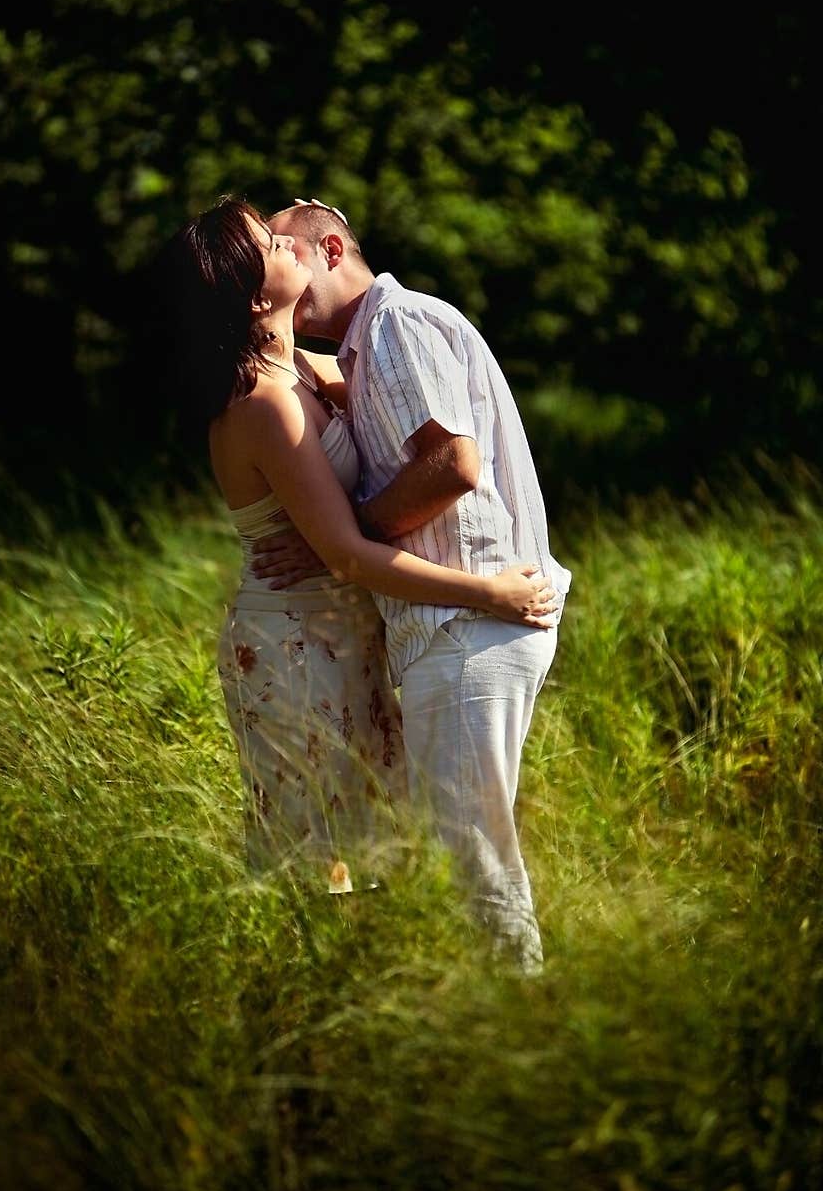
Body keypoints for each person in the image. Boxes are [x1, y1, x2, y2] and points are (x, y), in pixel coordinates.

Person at [157, 194, 559, 899]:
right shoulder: (265, 402)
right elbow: (344, 552)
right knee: (319, 857)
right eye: (272, 246)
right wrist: (491, 592)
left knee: (379, 845)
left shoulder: (313, 370)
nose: (290, 247)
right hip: (297, 642)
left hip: (343, 634)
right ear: (254, 299)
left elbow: (413, 401)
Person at [253, 198, 572, 970]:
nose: (275, 256)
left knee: (475, 862)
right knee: (460, 853)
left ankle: (514, 1033)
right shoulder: (370, 346)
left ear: (330, 249)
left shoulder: (396, 325)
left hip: (468, 627)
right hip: (458, 627)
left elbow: (451, 466)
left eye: (282, 243)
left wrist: (345, 535)